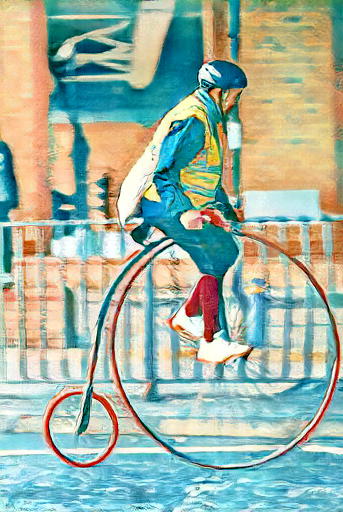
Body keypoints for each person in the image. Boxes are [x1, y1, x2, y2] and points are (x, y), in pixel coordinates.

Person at [117, 60, 252, 365]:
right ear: (218, 92)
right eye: (234, 96)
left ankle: (189, 315)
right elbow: (164, 173)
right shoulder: (193, 120)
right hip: (165, 205)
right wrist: (183, 212)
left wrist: (229, 216)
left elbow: (206, 178)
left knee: (225, 251)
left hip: (181, 203)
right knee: (215, 256)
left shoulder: (206, 117)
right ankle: (211, 340)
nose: (234, 103)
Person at [0, 128, 19, 288]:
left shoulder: (3, 148)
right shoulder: (3, 148)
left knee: (5, 238)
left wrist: (14, 201)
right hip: (5, 200)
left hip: (4, 201)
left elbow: (10, 174)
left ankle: (5, 272)